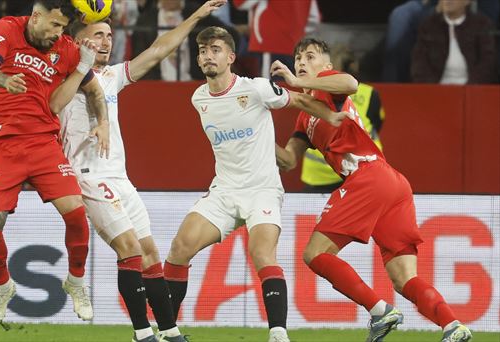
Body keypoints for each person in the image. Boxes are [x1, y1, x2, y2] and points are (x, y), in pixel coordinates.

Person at [273, 37, 472, 342]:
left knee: (315, 254)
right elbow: (287, 160)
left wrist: (295, 81)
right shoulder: (305, 114)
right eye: (297, 57)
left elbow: (351, 83)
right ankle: (453, 326)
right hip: (390, 183)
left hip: (367, 177)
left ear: (326, 66)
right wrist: (253, 137)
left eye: (310, 56)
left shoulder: (329, 84)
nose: (301, 62)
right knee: (404, 278)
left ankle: (379, 311)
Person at [50, 1, 228, 341]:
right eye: (97, 35)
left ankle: (171, 333)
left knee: (150, 255)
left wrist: (195, 16)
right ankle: (143, 334)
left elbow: (159, 49)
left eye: (109, 35)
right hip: (88, 175)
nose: (106, 41)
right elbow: (54, 104)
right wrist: (79, 64)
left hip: (119, 177)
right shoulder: (64, 78)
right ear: (78, 43)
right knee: (130, 249)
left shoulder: (111, 77)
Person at [163, 27, 348, 342]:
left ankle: (278, 334)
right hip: (224, 190)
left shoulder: (258, 89)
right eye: (203, 50)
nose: (208, 55)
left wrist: (329, 118)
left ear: (231, 57)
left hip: (262, 189)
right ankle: (168, 331)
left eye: (216, 49)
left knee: (261, 252)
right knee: (180, 248)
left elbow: (300, 101)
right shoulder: (199, 98)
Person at [0, 0, 109, 327]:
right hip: (2, 143)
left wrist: (102, 121)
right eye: (53, 25)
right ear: (36, 16)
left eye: (62, 28)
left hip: (43, 143)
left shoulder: (66, 49)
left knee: (77, 213)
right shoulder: (6, 29)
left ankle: (76, 282)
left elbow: (92, 92)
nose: (57, 33)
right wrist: (4, 81)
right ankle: (3, 286)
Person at [301, 45, 385, 193]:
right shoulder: (370, 93)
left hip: (318, 176)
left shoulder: (314, 90)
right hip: (359, 170)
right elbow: (378, 124)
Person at [131, 0, 239, 81]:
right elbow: (139, 55)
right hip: (156, 85)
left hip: (193, 82)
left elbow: (230, 35)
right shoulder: (146, 20)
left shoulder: (198, 14)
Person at [411, 0, 497, 84]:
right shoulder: (428, 26)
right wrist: (434, 91)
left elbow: (488, 62)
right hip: (436, 91)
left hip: (472, 91)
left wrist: (470, 91)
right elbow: (419, 64)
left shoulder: (482, 24)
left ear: (467, 1)